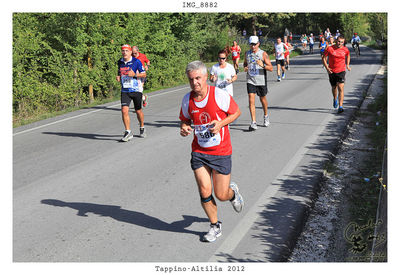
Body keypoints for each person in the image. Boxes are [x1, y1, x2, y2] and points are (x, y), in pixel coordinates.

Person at [179, 60, 244, 243]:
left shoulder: (219, 95)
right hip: (199, 151)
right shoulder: (187, 100)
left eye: (198, 78)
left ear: (206, 77)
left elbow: (236, 112)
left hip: (221, 151)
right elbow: (184, 120)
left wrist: (221, 123)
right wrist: (184, 128)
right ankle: (215, 225)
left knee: (221, 195)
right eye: (191, 79)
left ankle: (233, 193)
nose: (195, 83)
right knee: (204, 190)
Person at [116, 44, 147, 141]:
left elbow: (144, 74)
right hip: (125, 90)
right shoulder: (120, 62)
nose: (124, 52)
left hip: (136, 90)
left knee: (138, 111)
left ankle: (142, 127)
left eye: (126, 51)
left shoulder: (136, 62)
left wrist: (135, 74)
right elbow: (119, 72)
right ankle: (128, 132)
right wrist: (118, 77)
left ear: (130, 52)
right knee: (124, 110)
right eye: (123, 51)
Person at [243, 36, 273, 130]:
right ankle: (253, 122)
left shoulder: (263, 54)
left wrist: (263, 65)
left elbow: (271, 68)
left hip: (261, 80)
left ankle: (266, 115)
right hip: (250, 79)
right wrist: (246, 68)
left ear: (258, 44)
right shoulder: (247, 54)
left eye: (254, 44)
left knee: (262, 99)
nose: (253, 46)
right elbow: (245, 63)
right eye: (251, 44)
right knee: (251, 100)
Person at [322, 35, 351, 114]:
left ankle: (340, 106)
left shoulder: (345, 49)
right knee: (334, 87)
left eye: (342, 42)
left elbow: (348, 56)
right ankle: (335, 99)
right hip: (332, 71)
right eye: (338, 41)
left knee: (341, 88)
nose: (340, 43)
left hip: (341, 71)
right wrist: (327, 68)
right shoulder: (330, 48)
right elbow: (323, 58)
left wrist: (347, 65)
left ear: (343, 42)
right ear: (336, 41)